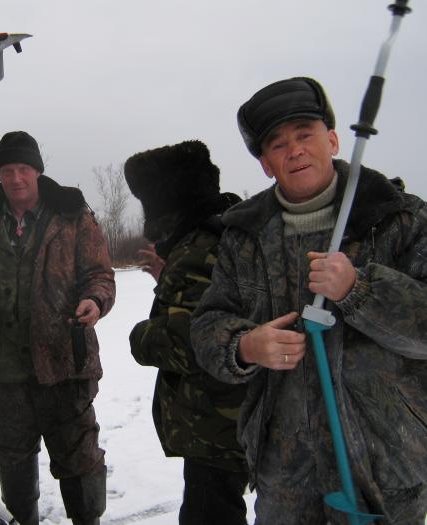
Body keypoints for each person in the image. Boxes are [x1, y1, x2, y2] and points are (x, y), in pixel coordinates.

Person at [190, 77, 427, 524]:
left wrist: (361, 291)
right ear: (265, 164)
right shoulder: (243, 237)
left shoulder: (400, 218)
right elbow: (206, 326)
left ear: (333, 140)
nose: (294, 150)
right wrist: (244, 345)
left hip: (388, 467)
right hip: (285, 473)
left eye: (305, 135)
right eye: (277, 144)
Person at [0, 131, 115, 525]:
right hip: (3, 369)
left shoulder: (72, 215)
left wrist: (94, 301)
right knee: (13, 460)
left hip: (63, 362)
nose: (16, 178)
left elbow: (100, 275)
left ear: (37, 171)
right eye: (7, 170)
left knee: (79, 460)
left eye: (24, 169)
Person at [125, 140, 248, 525]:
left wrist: (140, 337)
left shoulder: (198, 247)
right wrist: (169, 282)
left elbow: (192, 343)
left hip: (214, 424)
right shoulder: (218, 232)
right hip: (225, 419)